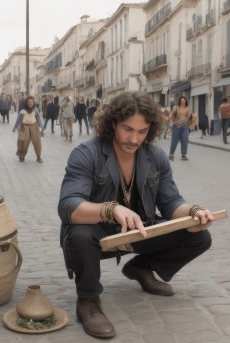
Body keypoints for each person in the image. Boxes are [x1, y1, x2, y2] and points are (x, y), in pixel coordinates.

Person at [58, 91, 214, 338]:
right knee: (78, 233)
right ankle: (88, 300)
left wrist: (195, 212)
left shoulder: (156, 156)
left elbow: (171, 202)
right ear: (113, 124)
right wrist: (111, 209)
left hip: (141, 228)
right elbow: (68, 206)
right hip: (98, 233)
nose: (134, 139)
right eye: (128, 129)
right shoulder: (86, 153)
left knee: (199, 236)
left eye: (142, 132)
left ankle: (141, 268)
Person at [13, 95, 44, 162]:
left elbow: (38, 119)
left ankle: (38, 157)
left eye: (32, 102)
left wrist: (42, 127)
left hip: (34, 126)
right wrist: (15, 127)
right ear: (26, 103)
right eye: (29, 102)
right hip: (24, 127)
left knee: (37, 141)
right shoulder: (22, 111)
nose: (30, 103)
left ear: (33, 103)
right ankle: (22, 156)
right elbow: (18, 120)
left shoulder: (35, 110)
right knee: (22, 140)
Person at [168, 95, 193, 160]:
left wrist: (190, 120)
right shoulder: (175, 107)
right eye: (182, 101)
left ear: (185, 101)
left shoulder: (187, 108)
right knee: (174, 140)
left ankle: (184, 155)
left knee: (185, 139)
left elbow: (189, 117)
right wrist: (174, 122)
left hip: (185, 126)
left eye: (184, 101)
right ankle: (171, 154)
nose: (183, 102)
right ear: (179, 101)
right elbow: (172, 116)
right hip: (176, 126)